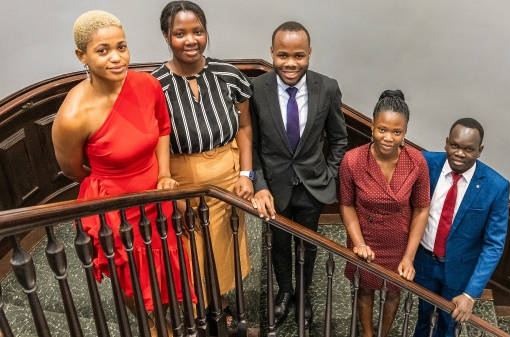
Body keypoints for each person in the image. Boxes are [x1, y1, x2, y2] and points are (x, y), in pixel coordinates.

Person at [52, 9, 194, 326]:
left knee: (165, 267)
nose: (117, 58)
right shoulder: (73, 115)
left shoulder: (147, 85)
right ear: (82, 56)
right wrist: (113, 181)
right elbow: (74, 170)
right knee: (131, 274)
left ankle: (163, 318)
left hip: (156, 193)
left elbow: (162, 128)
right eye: (103, 50)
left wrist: (166, 175)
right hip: (113, 206)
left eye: (122, 46)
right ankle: (153, 324)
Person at [151, 0, 253, 323]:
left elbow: (246, 127)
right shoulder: (155, 86)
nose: (190, 40)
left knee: (225, 249)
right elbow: (155, 143)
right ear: (166, 36)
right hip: (184, 179)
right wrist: (170, 188)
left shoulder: (229, 75)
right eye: (180, 33)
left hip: (229, 174)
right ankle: (201, 313)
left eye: (198, 31)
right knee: (193, 251)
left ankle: (219, 306)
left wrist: (247, 173)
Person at [250, 21, 348, 327]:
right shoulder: (256, 89)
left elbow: (340, 138)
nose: (290, 63)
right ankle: (286, 291)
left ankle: (303, 293)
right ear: (271, 53)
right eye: (282, 55)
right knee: (279, 243)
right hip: (273, 187)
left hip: (313, 187)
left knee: (308, 242)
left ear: (309, 54)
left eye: (298, 56)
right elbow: (250, 143)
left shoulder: (327, 87)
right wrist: (260, 184)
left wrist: (330, 175)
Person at [339, 90, 430, 337]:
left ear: (405, 132)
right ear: (371, 125)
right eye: (382, 129)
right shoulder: (352, 160)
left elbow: (422, 209)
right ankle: (368, 333)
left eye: (396, 132)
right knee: (365, 289)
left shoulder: (417, 162)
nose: (388, 138)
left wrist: (409, 257)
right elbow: (346, 205)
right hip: (365, 237)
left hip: (399, 240)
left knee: (393, 291)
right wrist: (358, 244)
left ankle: (383, 333)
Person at [413, 118, 510, 337]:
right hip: (423, 261)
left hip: (459, 271)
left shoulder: (496, 186)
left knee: (448, 325)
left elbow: (494, 244)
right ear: (447, 142)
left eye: (468, 149)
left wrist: (470, 294)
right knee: (423, 315)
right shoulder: (425, 163)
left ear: (479, 151)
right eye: (455, 146)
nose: (459, 153)